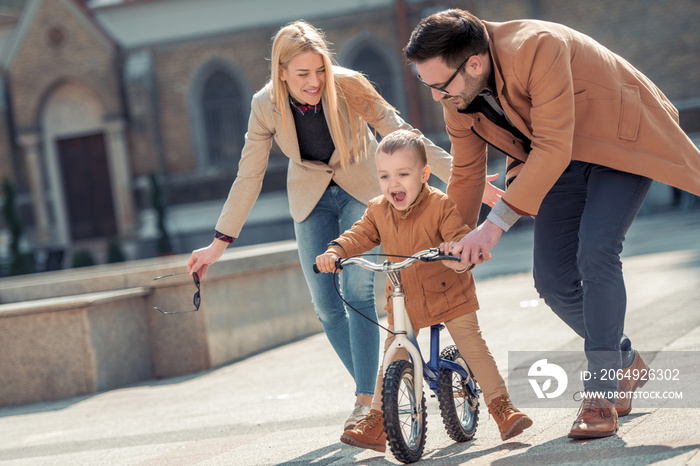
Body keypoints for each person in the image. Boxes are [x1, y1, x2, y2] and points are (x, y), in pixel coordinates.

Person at [403, 9, 700, 439]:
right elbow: (467, 173)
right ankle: (624, 360)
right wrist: (453, 243)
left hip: (619, 141)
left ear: (474, 63)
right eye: (424, 84)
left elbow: (553, 144)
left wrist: (494, 226)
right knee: (554, 281)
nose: (434, 97)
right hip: (557, 163)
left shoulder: (537, 46)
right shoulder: (456, 97)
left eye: (440, 85)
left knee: (597, 250)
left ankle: (601, 393)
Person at [186, 20, 455, 432]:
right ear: (281, 72)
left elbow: (400, 132)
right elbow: (249, 175)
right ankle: (382, 390)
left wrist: (457, 175)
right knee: (327, 307)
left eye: (320, 71)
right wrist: (218, 244)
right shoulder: (265, 105)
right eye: (302, 74)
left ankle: (368, 405)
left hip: (360, 190)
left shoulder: (348, 86)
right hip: (310, 198)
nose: (315, 82)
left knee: (357, 291)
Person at [315, 130, 532, 452]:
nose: (394, 184)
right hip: (404, 299)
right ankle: (376, 422)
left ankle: (502, 407)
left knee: (471, 343)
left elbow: (459, 237)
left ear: (424, 174)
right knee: (393, 356)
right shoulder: (378, 209)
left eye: (403, 174)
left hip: (448, 292)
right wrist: (335, 251)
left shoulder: (440, 204)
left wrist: (455, 250)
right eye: (385, 176)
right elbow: (359, 235)